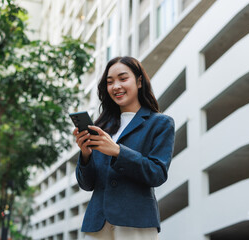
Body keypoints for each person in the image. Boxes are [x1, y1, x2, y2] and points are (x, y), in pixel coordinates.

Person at [73, 56, 175, 240]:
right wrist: (86, 155)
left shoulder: (160, 123)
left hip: (135, 222)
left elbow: (157, 173)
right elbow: (86, 184)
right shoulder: (101, 127)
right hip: (98, 224)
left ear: (139, 81)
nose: (116, 86)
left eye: (123, 78)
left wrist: (118, 152)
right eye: (110, 82)